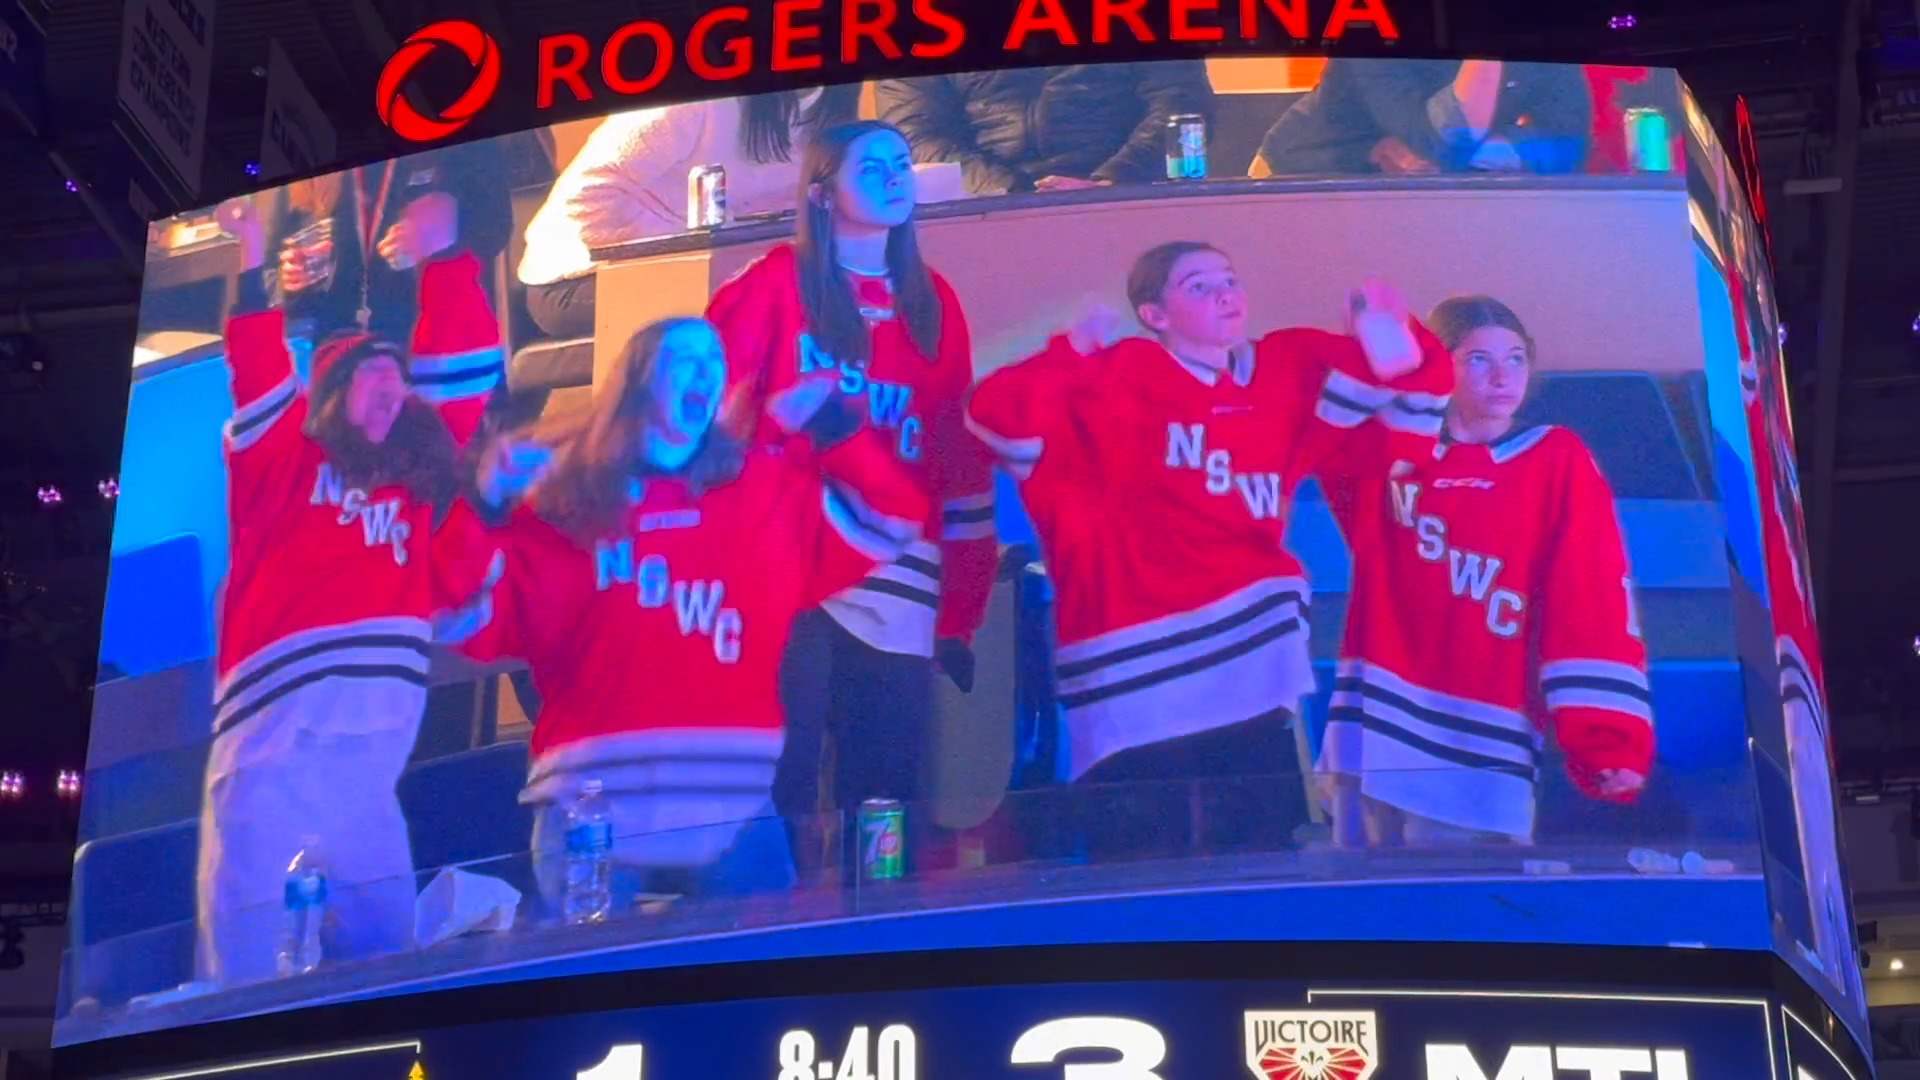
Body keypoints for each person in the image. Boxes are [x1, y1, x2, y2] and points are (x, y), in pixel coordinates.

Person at [965, 241, 1453, 859]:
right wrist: (1071, 351)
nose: (1226, 293)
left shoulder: (1283, 366)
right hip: (1133, 664)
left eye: (1230, 279)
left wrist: (1384, 324)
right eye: (1198, 286)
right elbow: (994, 417)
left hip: (1253, 650)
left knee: (1257, 848)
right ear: (1154, 314)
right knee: (1144, 853)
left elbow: (1414, 377)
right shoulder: (1120, 376)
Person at [460, 318, 929, 905]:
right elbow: (467, 624)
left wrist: (834, 428)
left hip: (734, 802)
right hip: (590, 810)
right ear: (636, 379)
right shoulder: (563, 501)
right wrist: (482, 506)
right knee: (594, 995)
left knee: (762, 990)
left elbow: (894, 520)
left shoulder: (763, 489)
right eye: (684, 357)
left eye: (715, 359)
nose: (706, 371)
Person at [196, 196, 507, 987]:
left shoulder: (410, 481)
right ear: (327, 397)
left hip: (368, 782)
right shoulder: (282, 463)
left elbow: (466, 370)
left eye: (397, 383)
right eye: (373, 378)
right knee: (247, 985)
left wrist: (445, 260)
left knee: (386, 973)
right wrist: (255, 254)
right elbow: (258, 362)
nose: (391, 392)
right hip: (270, 767)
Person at [706, 120, 996, 879]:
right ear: (823, 190)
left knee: (888, 785)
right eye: (873, 165)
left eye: (903, 162)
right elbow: (712, 426)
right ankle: (775, 934)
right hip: (789, 561)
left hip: (898, 571)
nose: (897, 175)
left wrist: (961, 610)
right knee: (785, 771)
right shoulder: (769, 284)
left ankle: (882, 931)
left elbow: (956, 462)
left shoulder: (934, 300)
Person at [1315, 296, 1653, 848]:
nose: (1503, 376)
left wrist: (1605, 739)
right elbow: (1330, 444)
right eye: (1477, 359)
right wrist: (1370, 347)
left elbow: (1590, 596)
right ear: (1439, 364)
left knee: (1456, 918)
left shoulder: (1555, 457)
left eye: (1516, 358)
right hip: (1373, 723)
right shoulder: (1398, 452)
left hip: (1483, 736)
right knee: (1370, 918)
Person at [519, 88, 861, 341]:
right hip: (577, 277)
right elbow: (588, 201)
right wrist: (693, 251)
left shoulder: (831, 108)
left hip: (714, 269)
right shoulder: (690, 100)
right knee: (758, 307)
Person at [271, 139, 515, 343]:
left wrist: (449, 234)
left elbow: (496, 225)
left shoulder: (453, 135)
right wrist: (290, 281)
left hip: (430, 346)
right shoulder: (305, 145)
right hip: (337, 360)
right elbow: (270, 275)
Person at [875, 62, 1215, 195]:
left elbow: (1181, 106)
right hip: (983, 206)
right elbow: (915, 134)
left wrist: (1110, 181)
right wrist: (1012, 193)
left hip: (1122, 196)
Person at [1252, 59, 1592, 178]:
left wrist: (1483, 154)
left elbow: (1569, 145)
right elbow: (1439, 143)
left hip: (1433, 184)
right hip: (1308, 171)